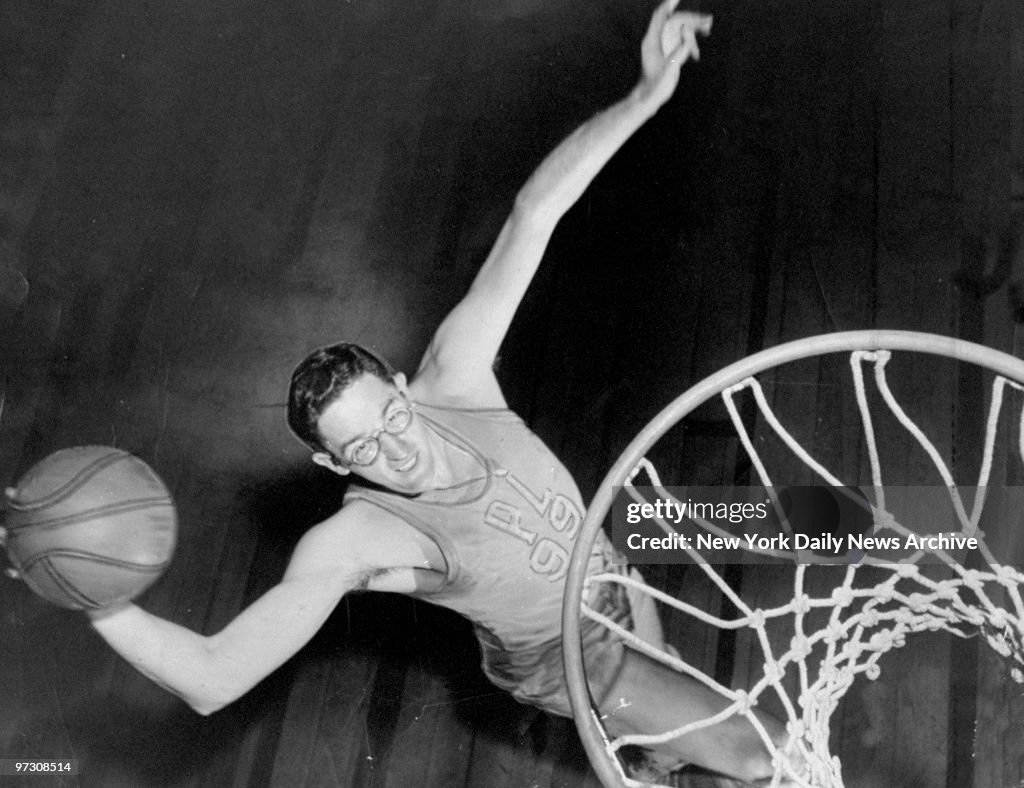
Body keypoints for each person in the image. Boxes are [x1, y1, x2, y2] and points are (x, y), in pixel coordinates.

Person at [4, 3, 797, 784]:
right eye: (362, 450)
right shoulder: (358, 542)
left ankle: (658, 744)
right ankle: (660, 738)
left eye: (391, 416)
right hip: (572, 660)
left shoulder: (459, 380)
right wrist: (99, 599)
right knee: (762, 755)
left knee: (689, 647)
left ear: (408, 387)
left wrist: (642, 96)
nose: (397, 446)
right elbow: (214, 679)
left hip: (606, 574)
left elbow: (533, 215)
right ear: (329, 463)